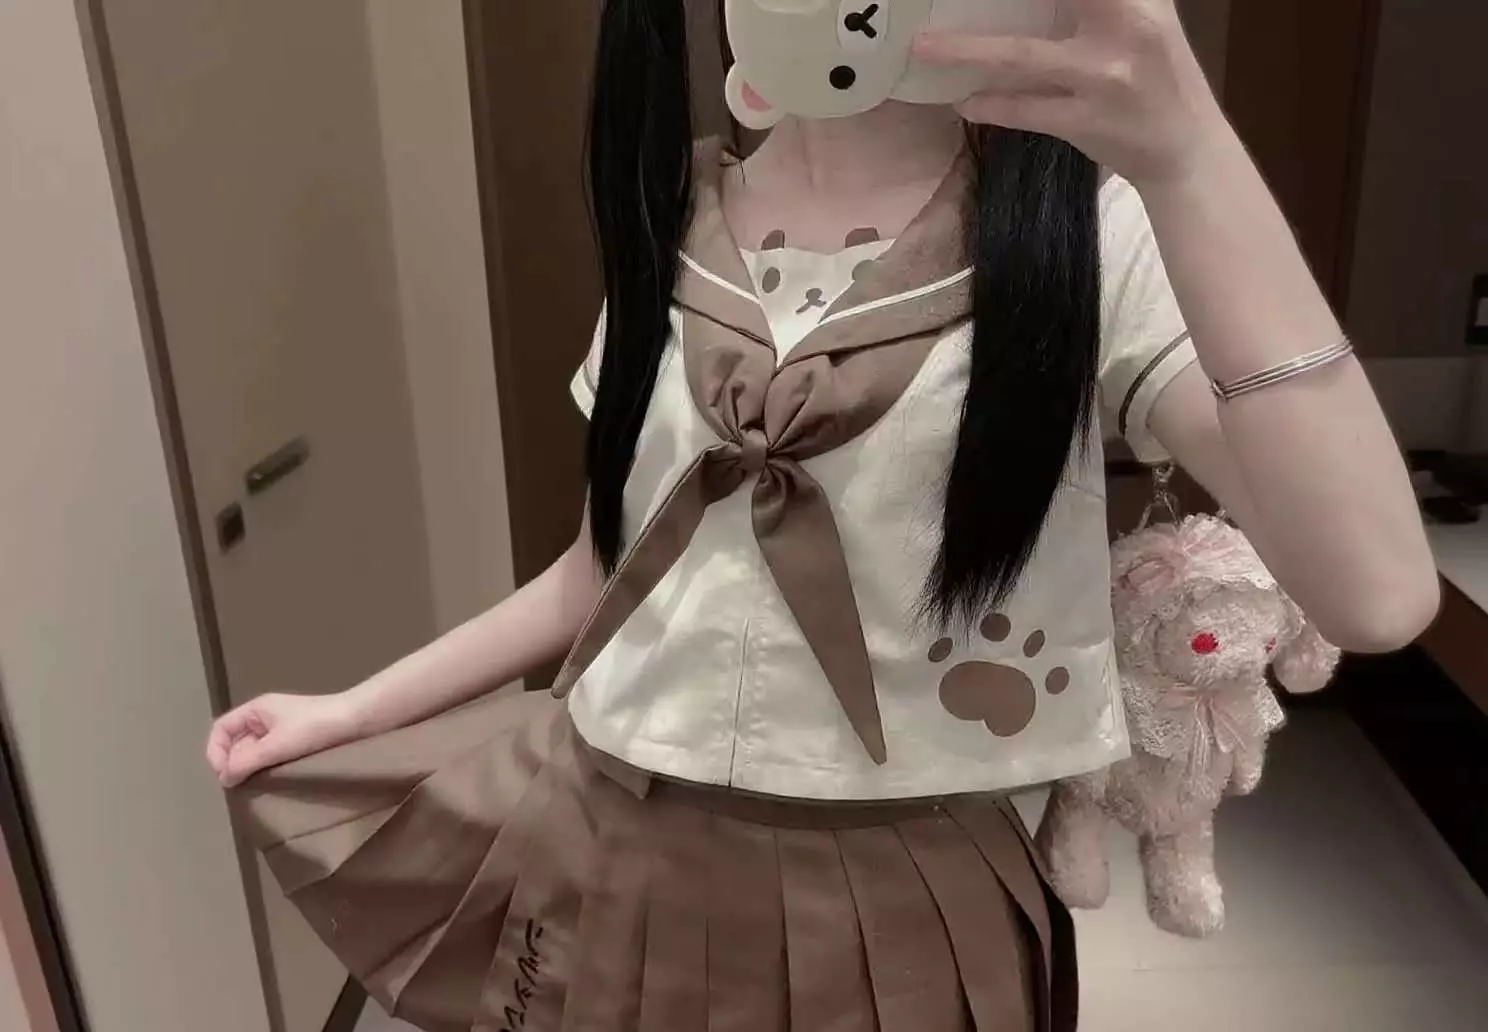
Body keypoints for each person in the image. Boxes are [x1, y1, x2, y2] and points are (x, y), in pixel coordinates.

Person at [206, 2, 1438, 1029]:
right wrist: (352, 712)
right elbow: (599, 574)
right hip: (608, 844)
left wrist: (1190, 156)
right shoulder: (670, 225)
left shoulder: (1089, 240)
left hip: (902, 895)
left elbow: (1377, 594)